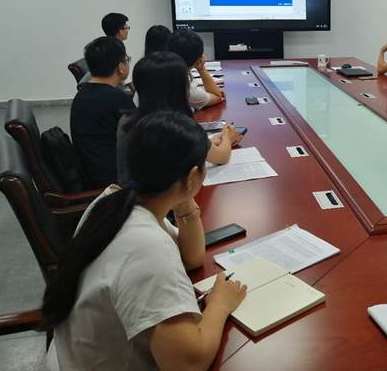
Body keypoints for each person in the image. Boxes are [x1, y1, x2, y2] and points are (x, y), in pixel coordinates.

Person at [42, 112, 247, 370]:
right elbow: (187, 364)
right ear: (193, 176)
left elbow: (192, 258)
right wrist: (219, 304)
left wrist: (184, 198)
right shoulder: (148, 248)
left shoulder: (115, 201)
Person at [117, 52, 242, 183]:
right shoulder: (179, 126)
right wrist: (227, 138)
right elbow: (221, 156)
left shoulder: (126, 120)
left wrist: (208, 141)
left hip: (130, 193)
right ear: (180, 89)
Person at [70, 37, 135, 187]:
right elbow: (141, 139)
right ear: (120, 67)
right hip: (114, 179)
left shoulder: (82, 93)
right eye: (127, 59)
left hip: (93, 171)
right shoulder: (117, 99)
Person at [167, 29, 225, 110]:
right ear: (198, 59)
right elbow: (217, 96)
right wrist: (201, 68)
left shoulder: (156, 68)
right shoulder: (186, 90)